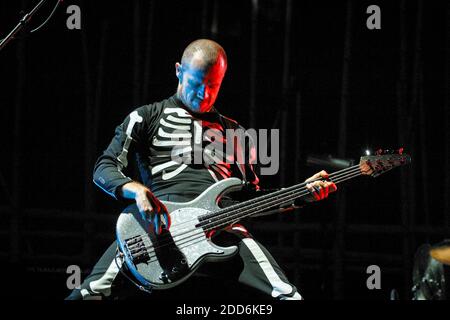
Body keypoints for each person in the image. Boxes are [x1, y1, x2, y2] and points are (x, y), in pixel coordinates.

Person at [65, 39, 337, 300]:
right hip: (158, 230)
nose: (204, 94)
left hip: (221, 227)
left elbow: (250, 199)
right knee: (88, 293)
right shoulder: (147, 116)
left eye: (213, 86)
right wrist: (136, 190)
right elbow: (105, 166)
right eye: (196, 83)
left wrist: (301, 193)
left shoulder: (236, 133)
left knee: (289, 295)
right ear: (178, 71)